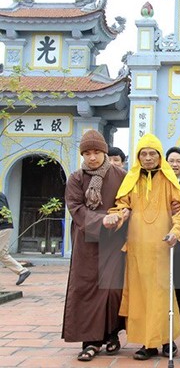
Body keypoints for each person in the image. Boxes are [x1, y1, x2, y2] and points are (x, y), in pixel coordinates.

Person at [107, 133, 180, 360]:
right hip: (137, 247)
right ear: (138, 157)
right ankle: (147, 343)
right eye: (144, 154)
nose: (149, 158)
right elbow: (121, 205)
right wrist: (119, 215)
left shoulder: (168, 179)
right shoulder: (131, 180)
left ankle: (165, 339)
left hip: (162, 246)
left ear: (160, 156)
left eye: (153, 154)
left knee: (161, 294)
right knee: (141, 295)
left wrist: (175, 231)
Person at [62, 129, 127, 362]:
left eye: (97, 151)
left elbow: (128, 202)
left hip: (114, 241)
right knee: (86, 289)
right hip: (85, 241)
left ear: (104, 152)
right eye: (87, 153)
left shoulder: (120, 175)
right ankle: (90, 341)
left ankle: (111, 335)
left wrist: (121, 214)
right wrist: (102, 219)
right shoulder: (76, 178)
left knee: (112, 290)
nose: (92, 157)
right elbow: (75, 208)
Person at [166, 146, 180, 328]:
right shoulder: (160, 182)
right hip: (161, 234)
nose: (174, 164)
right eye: (171, 161)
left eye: (178, 161)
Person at [0, 191, 31, 286]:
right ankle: (22, 271)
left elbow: (2, 209)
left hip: (3, 227)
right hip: (4, 227)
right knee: (3, 254)